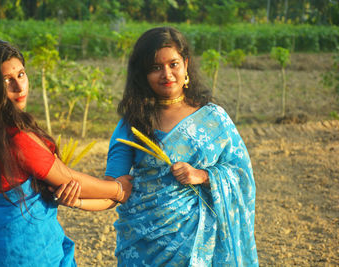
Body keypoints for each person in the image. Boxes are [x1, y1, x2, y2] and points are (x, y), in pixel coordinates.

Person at [0, 38, 132, 267]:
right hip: (22, 251)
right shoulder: (15, 138)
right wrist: (119, 189)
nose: (20, 87)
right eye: (6, 80)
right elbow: (69, 179)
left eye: (21, 74)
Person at [104, 27, 258, 266]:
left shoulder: (213, 119)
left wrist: (202, 175)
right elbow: (112, 185)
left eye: (173, 64)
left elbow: (241, 175)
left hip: (199, 244)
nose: (167, 74)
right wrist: (72, 189)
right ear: (142, 74)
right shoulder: (131, 125)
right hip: (144, 245)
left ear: (185, 64)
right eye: (155, 67)